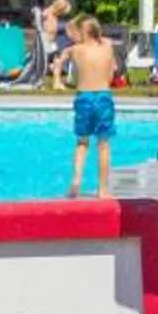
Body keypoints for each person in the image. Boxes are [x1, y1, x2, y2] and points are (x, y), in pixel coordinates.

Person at [67, 15, 119, 199]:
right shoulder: (108, 47)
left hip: (84, 96)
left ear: (85, 32)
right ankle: (102, 189)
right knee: (103, 145)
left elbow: (73, 78)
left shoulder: (76, 50)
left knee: (82, 143)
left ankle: (76, 182)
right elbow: (111, 76)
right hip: (103, 96)